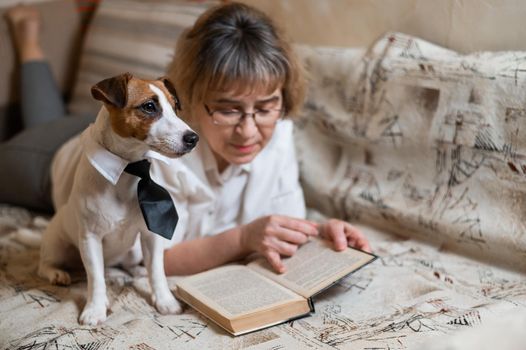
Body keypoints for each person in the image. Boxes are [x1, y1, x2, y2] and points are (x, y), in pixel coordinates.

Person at [0, 2, 370, 276]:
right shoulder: (158, 156)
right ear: (190, 99)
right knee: (32, 136)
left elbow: (281, 222)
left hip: (131, 119)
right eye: (227, 110)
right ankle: (29, 41)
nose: (249, 131)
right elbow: (149, 257)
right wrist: (241, 240)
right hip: (58, 158)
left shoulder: (278, 131)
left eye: (265, 107)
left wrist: (321, 233)